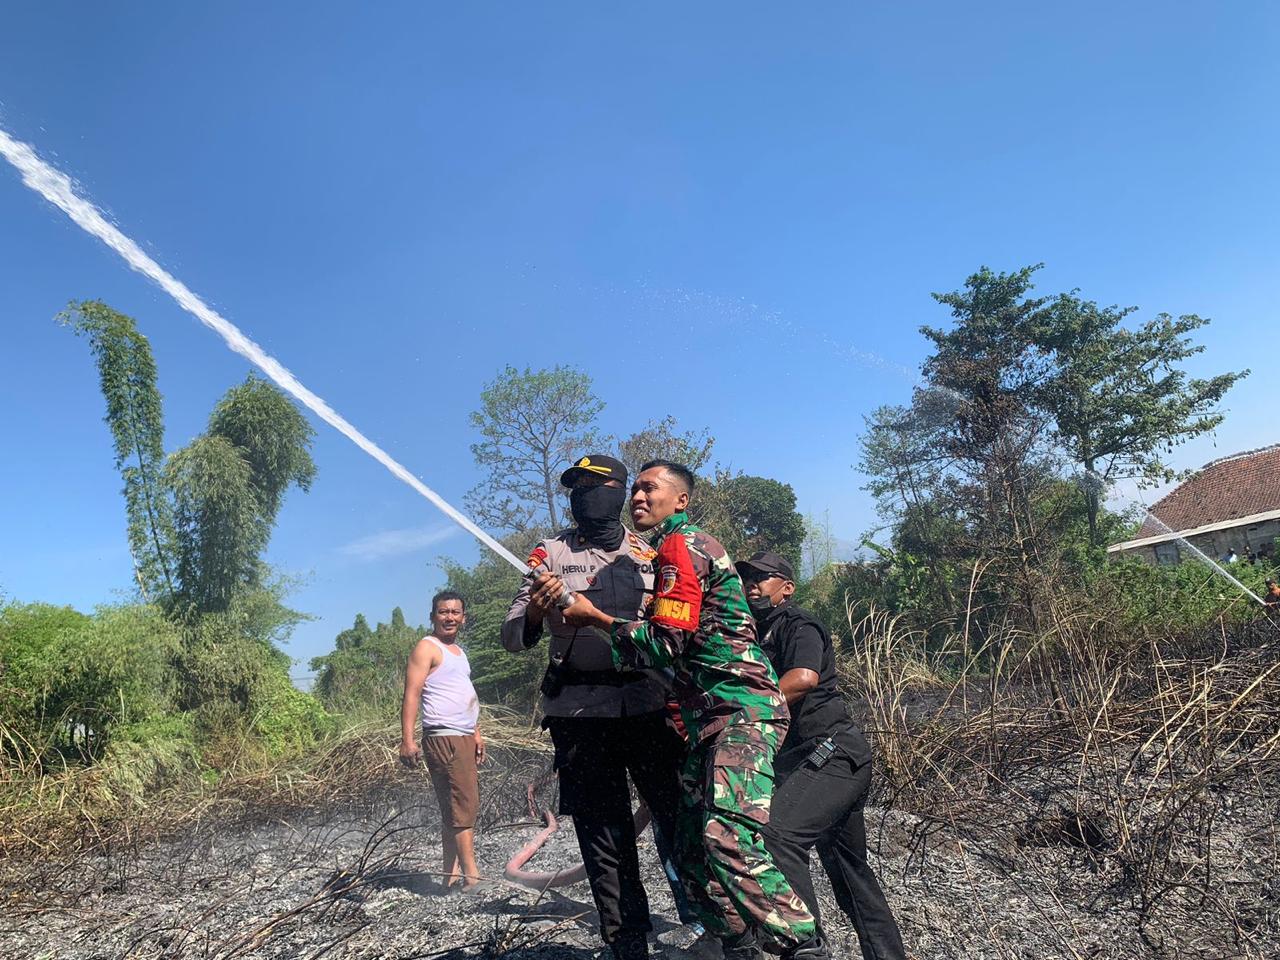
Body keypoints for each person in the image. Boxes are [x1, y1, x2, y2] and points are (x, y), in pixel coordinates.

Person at [553, 460, 828, 960]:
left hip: (741, 711)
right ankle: (737, 945)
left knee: (725, 836)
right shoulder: (666, 552)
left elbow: (663, 643)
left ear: (680, 500)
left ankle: (802, 943)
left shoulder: (682, 547)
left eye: (649, 488)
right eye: (633, 488)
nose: (637, 497)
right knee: (688, 847)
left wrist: (594, 617)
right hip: (709, 721)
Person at [502, 454, 692, 960]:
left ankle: (700, 922)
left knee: (676, 817)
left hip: (650, 706)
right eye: (575, 487)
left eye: (594, 485)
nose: (583, 494)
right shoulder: (549, 555)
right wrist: (539, 611)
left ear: (619, 490)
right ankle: (626, 939)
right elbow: (512, 638)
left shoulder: (651, 553)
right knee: (603, 834)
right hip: (581, 713)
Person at [737, 550, 906, 960]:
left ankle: (805, 949)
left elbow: (804, 678)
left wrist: (746, 712)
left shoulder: (799, 624)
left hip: (832, 754)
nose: (751, 585)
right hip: (808, 763)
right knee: (849, 871)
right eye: (746, 579)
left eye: (762, 578)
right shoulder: (747, 634)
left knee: (777, 835)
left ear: (787, 588)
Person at [400, 591, 486, 890]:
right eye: (443, 612)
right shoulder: (427, 648)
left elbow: (463, 693)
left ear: (463, 617)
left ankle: (449, 876)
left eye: (455, 612)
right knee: (463, 805)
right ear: (432, 616)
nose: (449, 617)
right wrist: (407, 740)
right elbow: (412, 693)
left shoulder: (459, 653)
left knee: (453, 807)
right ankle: (471, 878)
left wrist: (475, 733)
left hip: (462, 735)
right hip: (443, 736)